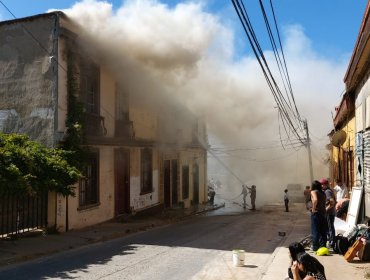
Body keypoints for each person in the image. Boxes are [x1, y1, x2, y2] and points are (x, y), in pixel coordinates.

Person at [310, 180, 327, 251]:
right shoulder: (323, 193)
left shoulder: (313, 192)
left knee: (315, 230)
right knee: (323, 230)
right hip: (323, 213)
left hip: (316, 213)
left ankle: (315, 246)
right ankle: (323, 246)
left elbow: (315, 200)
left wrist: (313, 209)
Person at [320, 178, 336, 248]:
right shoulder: (325, 191)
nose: (321, 186)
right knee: (328, 228)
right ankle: (331, 241)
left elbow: (332, 202)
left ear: (325, 185)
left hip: (329, 213)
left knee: (330, 228)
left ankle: (332, 242)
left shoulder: (327, 192)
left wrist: (325, 210)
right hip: (328, 213)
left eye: (322, 185)